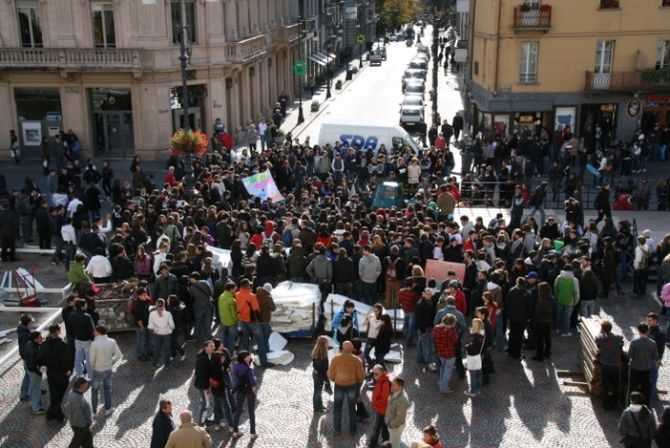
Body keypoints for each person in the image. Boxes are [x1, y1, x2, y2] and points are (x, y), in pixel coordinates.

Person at [327, 340, 365, 435]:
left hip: (339, 385)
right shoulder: (357, 360)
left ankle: (337, 429)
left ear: (342, 348)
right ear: (352, 349)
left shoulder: (335, 359)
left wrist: (334, 379)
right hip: (352, 386)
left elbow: (330, 374)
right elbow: (361, 376)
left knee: (337, 408)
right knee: (352, 408)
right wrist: (357, 382)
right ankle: (352, 430)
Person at [89, 325, 122, 415]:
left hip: (98, 370)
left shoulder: (94, 344)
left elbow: (91, 359)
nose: (93, 332)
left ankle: (94, 411)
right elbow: (119, 355)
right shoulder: (112, 341)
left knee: (95, 391)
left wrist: (93, 367)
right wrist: (111, 362)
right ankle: (108, 409)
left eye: (94, 331)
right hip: (108, 369)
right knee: (107, 389)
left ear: (99, 332)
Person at [235, 278, 265, 363]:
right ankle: (263, 360)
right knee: (260, 340)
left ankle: (245, 360)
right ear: (246, 285)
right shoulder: (251, 296)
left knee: (245, 340)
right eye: (249, 284)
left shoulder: (237, 294)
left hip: (243, 320)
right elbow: (256, 310)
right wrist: (259, 320)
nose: (250, 285)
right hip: (252, 321)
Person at [628, 322, 658, 407]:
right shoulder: (653, 343)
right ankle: (646, 407)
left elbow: (630, 355)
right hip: (646, 370)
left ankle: (632, 406)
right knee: (646, 390)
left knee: (633, 389)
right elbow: (655, 357)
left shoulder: (634, 342)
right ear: (647, 331)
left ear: (638, 330)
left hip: (635, 369)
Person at [595, 319, 624, 410]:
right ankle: (615, 404)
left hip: (605, 365)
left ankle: (606, 405)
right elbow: (620, 343)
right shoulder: (618, 337)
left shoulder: (599, 338)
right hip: (615, 364)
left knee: (605, 385)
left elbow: (598, 342)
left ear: (602, 329)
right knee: (616, 385)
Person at [231, 350, 258, 439]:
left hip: (240, 390)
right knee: (251, 412)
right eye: (248, 356)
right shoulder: (248, 368)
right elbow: (253, 381)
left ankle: (235, 431)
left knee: (238, 410)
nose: (249, 357)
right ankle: (252, 433)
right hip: (249, 390)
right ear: (244, 358)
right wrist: (253, 375)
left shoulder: (235, 366)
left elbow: (236, 379)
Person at [67, 298, 95, 377]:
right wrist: (93, 339)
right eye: (85, 304)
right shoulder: (87, 316)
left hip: (77, 339)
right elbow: (92, 330)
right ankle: (90, 375)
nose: (87, 305)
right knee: (89, 359)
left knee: (78, 359)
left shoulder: (71, 315)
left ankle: (79, 374)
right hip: (87, 341)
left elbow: (69, 328)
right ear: (82, 306)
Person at [432, 314, 459, 394]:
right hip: (450, 353)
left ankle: (440, 383)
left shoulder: (436, 328)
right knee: (448, 370)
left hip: (440, 352)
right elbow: (455, 340)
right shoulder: (451, 331)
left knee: (442, 368)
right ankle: (444, 388)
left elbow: (433, 339)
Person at [22, 330, 47, 414]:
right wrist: (39, 372)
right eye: (40, 337)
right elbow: (36, 363)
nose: (42, 338)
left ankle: (33, 402)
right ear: (35, 339)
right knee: (36, 389)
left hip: (29, 369)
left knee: (33, 387)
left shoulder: (28, 344)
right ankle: (36, 408)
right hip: (35, 372)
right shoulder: (36, 351)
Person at [66, 376, 94, 448]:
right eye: (86, 383)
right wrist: (86, 424)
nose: (87, 384)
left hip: (81, 425)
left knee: (88, 440)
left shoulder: (74, 392)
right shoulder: (76, 399)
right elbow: (78, 415)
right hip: (80, 426)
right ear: (81, 385)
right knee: (75, 443)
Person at [148, 298, 175, 369]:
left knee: (157, 349)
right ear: (164, 305)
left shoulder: (152, 314)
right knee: (167, 350)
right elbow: (172, 325)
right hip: (167, 333)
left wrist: (155, 329)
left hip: (157, 333)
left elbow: (150, 326)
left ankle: (154, 364)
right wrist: (171, 328)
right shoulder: (168, 314)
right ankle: (167, 365)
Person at [368, 364, 391, 448]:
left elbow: (384, 399)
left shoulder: (385, 383)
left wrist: (375, 403)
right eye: (373, 373)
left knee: (377, 428)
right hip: (383, 409)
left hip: (382, 410)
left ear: (382, 372)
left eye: (376, 374)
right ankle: (385, 444)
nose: (374, 375)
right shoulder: (380, 380)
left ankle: (372, 444)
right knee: (384, 427)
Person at [531, 282, 554, 362]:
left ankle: (539, 355)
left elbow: (538, 313)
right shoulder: (551, 299)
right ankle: (547, 352)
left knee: (540, 339)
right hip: (549, 321)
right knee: (548, 338)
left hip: (541, 322)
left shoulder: (540, 300)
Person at [194, 340, 215, 425]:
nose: (213, 347)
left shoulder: (210, 355)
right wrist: (206, 387)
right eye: (210, 346)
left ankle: (205, 419)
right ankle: (201, 423)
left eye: (213, 345)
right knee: (206, 403)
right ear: (205, 348)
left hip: (207, 383)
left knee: (205, 402)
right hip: (203, 385)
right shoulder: (202, 359)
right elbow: (200, 374)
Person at [554, 266, 579, 336]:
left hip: (559, 299)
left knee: (559, 314)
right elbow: (576, 292)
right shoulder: (574, 280)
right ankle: (565, 332)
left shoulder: (558, 277)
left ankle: (558, 328)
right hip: (570, 301)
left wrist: (556, 296)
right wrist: (576, 301)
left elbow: (555, 287)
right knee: (567, 317)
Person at [415, 288, 437, 370]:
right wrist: (422, 330)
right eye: (427, 294)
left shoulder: (431, 301)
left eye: (430, 294)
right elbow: (418, 319)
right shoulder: (420, 304)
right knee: (427, 346)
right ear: (423, 294)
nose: (429, 295)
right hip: (424, 328)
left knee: (421, 344)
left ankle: (419, 359)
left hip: (428, 327)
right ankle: (429, 364)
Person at [385, 376, 410, 448]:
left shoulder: (402, 400)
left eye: (393, 385)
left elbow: (400, 418)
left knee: (394, 445)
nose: (391, 387)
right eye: (391, 384)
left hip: (395, 427)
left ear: (400, 387)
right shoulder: (395, 392)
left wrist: (391, 424)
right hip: (393, 425)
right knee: (395, 441)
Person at [256, 283, 276, 367]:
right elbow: (273, 308)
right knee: (265, 339)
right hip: (265, 321)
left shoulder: (256, 295)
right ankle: (264, 357)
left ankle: (265, 351)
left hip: (257, 321)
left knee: (261, 339)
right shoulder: (268, 297)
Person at [646, 312, 665, 402]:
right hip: (649, 358)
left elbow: (660, 349)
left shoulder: (659, 333)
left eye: (650, 320)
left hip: (654, 359)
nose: (648, 322)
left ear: (655, 321)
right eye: (647, 320)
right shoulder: (650, 329)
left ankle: (651, 396)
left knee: (653, 377)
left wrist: (656, 360)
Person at [465, 318, 485, 398]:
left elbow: (471, 347)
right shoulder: (482, 334)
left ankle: (473, 391)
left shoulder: (474, 336)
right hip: (479, 356)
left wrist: (467, 346)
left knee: (473, 374)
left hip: (473, 357)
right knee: (479, 373)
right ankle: (479, 389)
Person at [217, 282, 238, 354]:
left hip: (223, 320)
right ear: (231, 290)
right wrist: (236, 320)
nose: (236, 290)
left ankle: (224, 352)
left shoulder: (221, 296)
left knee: (224, 337)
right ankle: (231, 353)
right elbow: (233, 313)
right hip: (231, 322)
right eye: (235, 289)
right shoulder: (232, 300)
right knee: (231, 338)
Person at [17, 313, 34, 402]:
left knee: (28, 375)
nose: (32, 324)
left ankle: (25, 393)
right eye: (31, 323)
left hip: (26, 358)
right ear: (27, 324)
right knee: (30, 376)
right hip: (27, 359)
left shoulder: (21, 329)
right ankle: (25, 394)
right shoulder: (26, 336)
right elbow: (25, 349)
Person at [311, 335, 330, 413]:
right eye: (327, 343)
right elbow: (323, 369)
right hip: (319, 376)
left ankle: (320, 405)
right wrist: (326, 379)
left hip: (316, 374)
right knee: (317, 392)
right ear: (323, 344)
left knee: (318, 391)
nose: (328, 344)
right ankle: (317, 409)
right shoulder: (321, 355)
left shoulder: (318, 351)